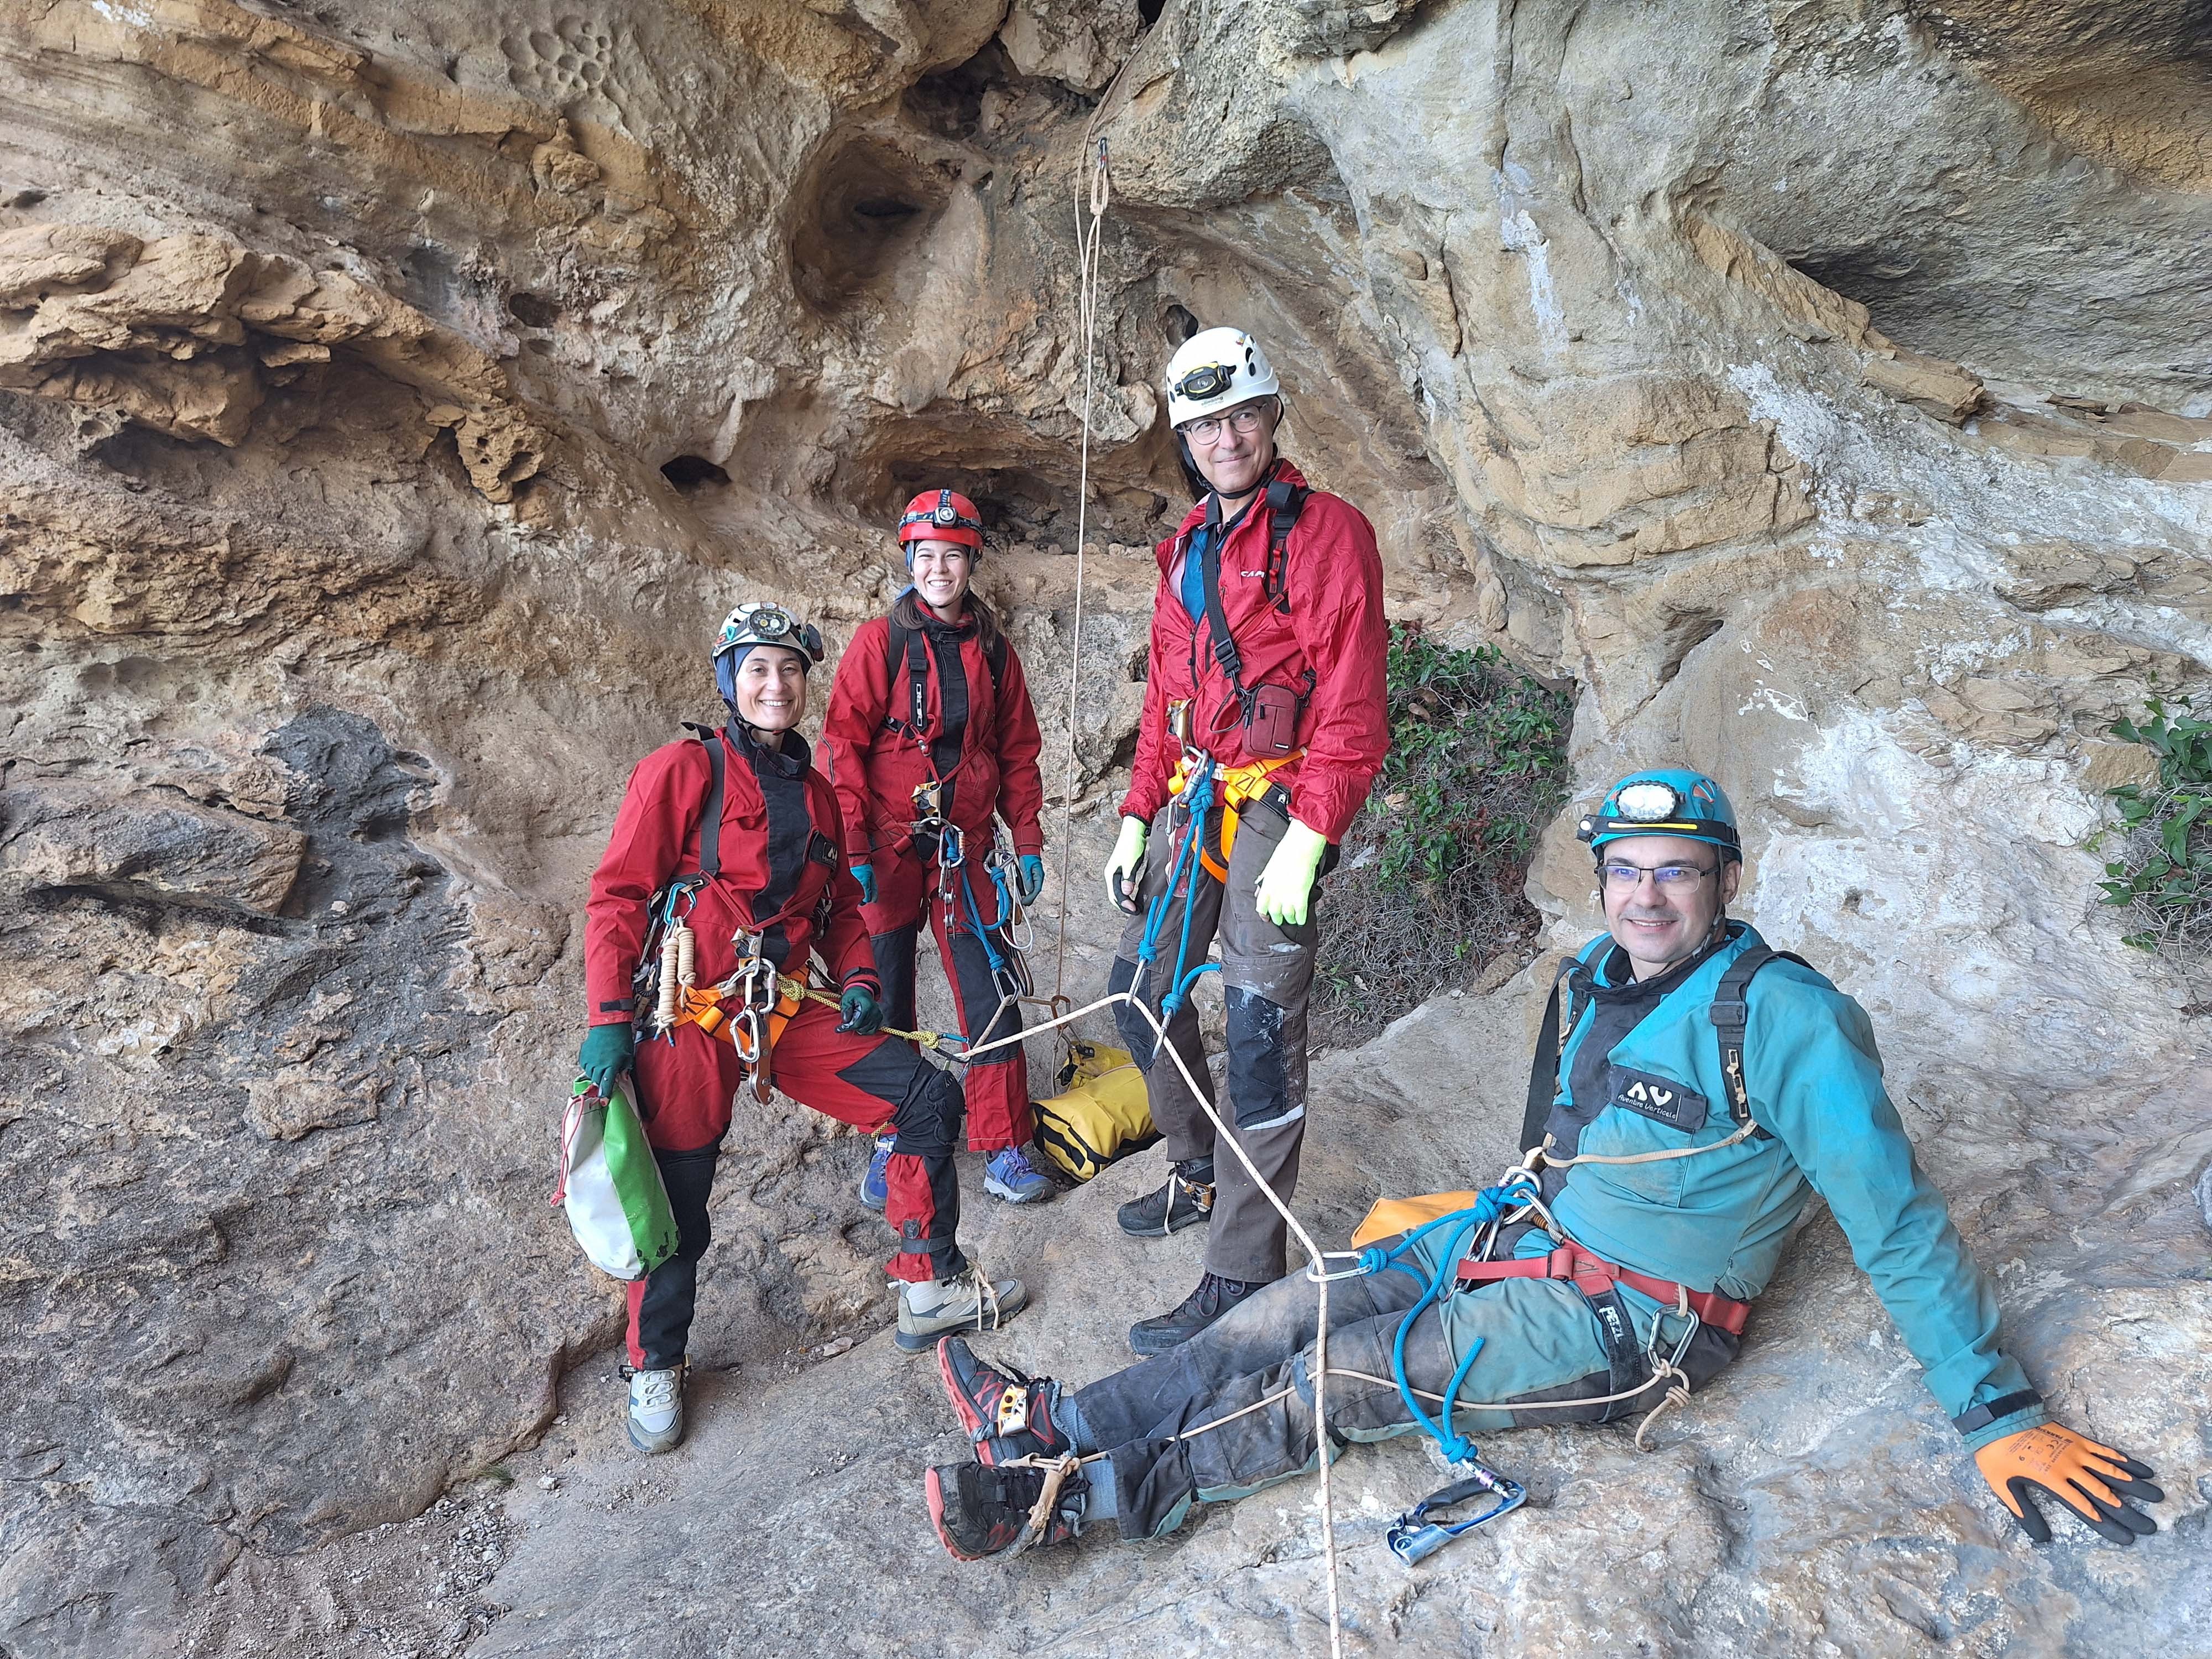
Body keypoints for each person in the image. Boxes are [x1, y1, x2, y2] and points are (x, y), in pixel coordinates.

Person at [917, 769, 2164, 1559]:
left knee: (1338, 1376)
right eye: (1623, 872)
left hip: (1631, 1322)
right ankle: (1054, 1426)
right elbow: (1562, 1151)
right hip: (1516, 1241)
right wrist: (1465, 1215)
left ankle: (1082, 1500)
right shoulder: (1594, 982)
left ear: (1722, 880)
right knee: (1279, 1310)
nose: (1644, 896)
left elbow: (1893, 1220)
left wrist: (1996, 1414)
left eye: (1674, 872)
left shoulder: (1784, 1018)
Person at [579, 601, 1026, 1455]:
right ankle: (655, 1361)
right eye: (756, 669)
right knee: (677, 1197)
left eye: (788, 669)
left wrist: (859, 977)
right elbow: (618, 898)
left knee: (925, 1095)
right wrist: (608, 1020)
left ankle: (929, 1282)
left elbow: (843, 911)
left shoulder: (819, 796)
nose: (774, 684)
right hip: (691, 1014)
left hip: (781, 1011)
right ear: (729, 684)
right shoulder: (682, 772)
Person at [1101, 326, 1389, 1355]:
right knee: (1141, 988)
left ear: (1272, 418)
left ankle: (1241, 1270)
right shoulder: (1184, 551)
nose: (1226, 437)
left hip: (1277, 806)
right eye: (1205, 423)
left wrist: (1313, 839)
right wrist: (1139, 813)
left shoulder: (1327, 534)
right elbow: (1166, 698)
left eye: (1242, 415)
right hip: (1197, 799)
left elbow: (1352, 704)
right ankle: (1197, 1169)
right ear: (1184, 439)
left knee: (1261, 1034)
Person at [821, 490, 1055, 1210]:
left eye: (952, 555)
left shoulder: (992, 650)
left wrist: (1030, 835)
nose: (938, 569)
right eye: (925, 555)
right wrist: (855, 844)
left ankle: (1004, 1139)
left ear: (970, 562)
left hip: (966, 846)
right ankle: (898, 1131)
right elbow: (843, 748)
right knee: (883, 987)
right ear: (910, 561)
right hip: (889, 846)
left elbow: (1017, 749)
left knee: (989, 985)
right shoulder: (877, 645)